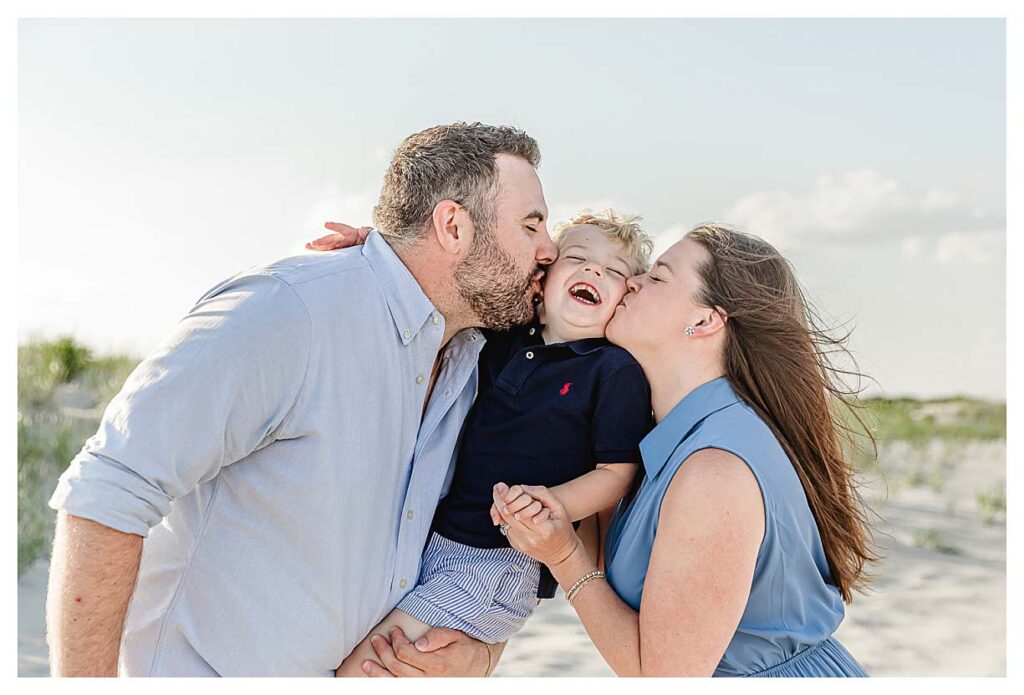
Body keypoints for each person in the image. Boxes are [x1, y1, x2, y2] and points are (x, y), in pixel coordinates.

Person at [44, 122, 558, 676]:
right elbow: (111, 487)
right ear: (453, 226)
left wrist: (478, 658)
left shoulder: (477, 364)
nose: (549, 249)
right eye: (532, 226)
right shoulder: (289, 312)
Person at [491, 224, 876, 677]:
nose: (631, 282)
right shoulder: (671, 437)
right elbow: (609, 572)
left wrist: (561, 556)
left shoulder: (714, 469)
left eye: (657, 277)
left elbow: (663, 676)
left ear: (705, 321)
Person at [332, 211, 656, 676]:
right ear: (542, 280)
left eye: (615, 272)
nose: (593, 272)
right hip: (432, 537)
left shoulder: (612, 370)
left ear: (624, 300)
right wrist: (378, 249)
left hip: (500, 562)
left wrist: (554, 503)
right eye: (578, 258)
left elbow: (617, 474)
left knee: (368, 668)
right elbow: (443, 290)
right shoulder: (504, 337)